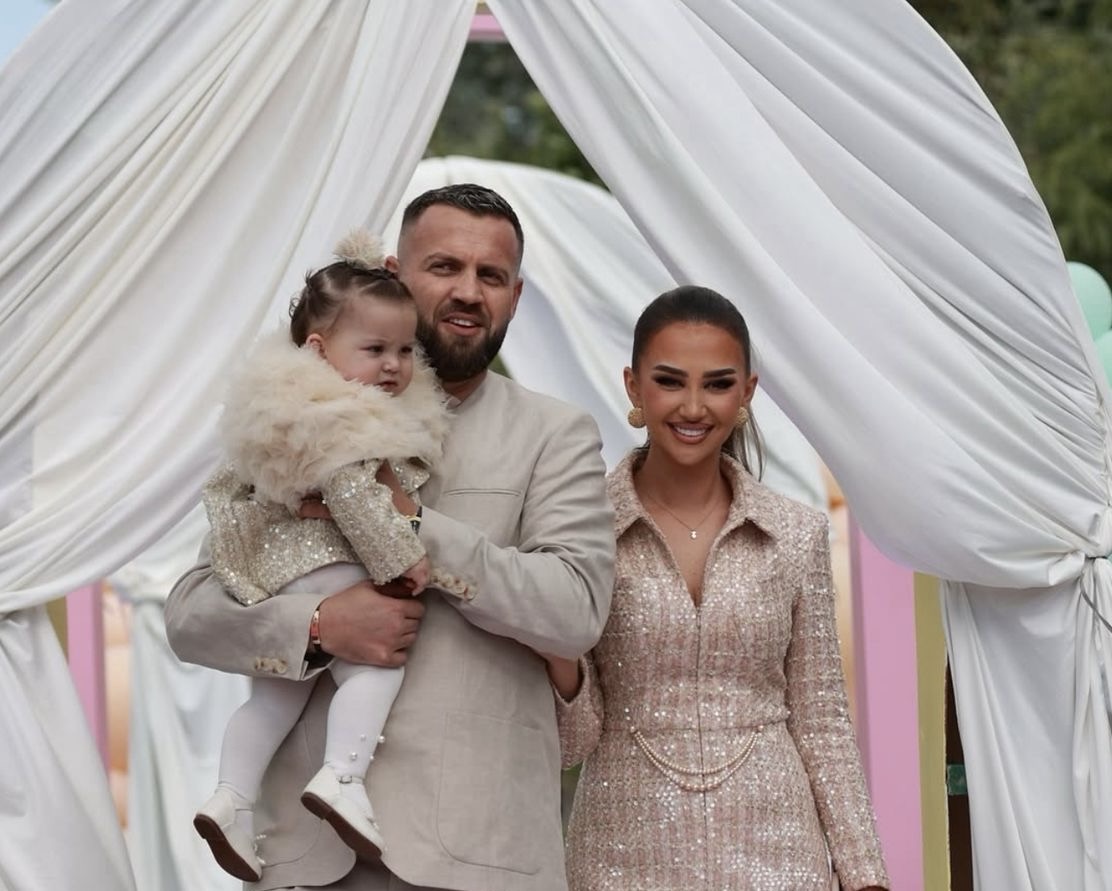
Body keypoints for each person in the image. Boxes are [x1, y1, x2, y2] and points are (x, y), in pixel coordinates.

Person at [165, 184, 616, 891]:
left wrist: (410, 525)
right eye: (444, 266)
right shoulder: (296, 420)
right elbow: (192, 615)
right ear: (394, 274)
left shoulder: (555, 434)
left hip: (478, 854)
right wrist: (319, 626)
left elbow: (575, 610)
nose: (468, 291)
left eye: (491, 275)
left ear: (515, 296)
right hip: (307, 859)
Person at [544, 286, 890, 891]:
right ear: (633, 386)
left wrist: (865, 876)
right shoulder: (579, 529)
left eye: (718, 384)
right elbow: (572, 743)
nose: (693, 406)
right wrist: (555, 643)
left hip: (779, 852)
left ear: (747, 392)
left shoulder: (795, 533)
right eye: (670, 381)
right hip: (623, 853)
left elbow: (822, 725)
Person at [193, 232, 470, 881]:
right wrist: (402, 561)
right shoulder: (348, 416)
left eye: (405, 350)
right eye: (375, 350)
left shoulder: (283, 409)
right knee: (375, 669)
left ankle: (230, 798)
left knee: (272, 700)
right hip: (331, 567)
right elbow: (353, 494)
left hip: (282, 578)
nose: (393, 366)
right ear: (319, 351)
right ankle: (343, 776)